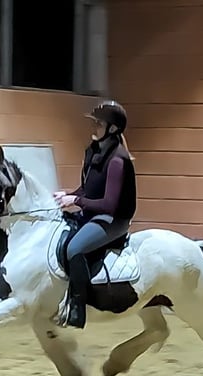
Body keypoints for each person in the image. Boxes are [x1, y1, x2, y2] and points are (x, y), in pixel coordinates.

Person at [54, 99, 138, 329]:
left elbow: (109, 204)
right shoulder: (94, 151)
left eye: (99, 124)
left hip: (114, 220)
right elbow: (89, 189)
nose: (94, 128)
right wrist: (68, 195)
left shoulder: (118, 160)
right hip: (94, 214)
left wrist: (77, 201)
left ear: (112, 129)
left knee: (74, 248)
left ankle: (78, 308)